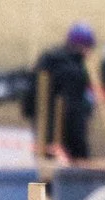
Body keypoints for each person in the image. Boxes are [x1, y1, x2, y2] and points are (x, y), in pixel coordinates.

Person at [17, 22, 97, 161]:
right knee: (71, 177)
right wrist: (81, 153)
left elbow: (30, 96)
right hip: (65, 136)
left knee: (40, 173)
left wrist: (33, 115)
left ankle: (39, 184)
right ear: (84, 47)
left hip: (41, 129)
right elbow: (74, 111)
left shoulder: (46, 61)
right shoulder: (75, 72)